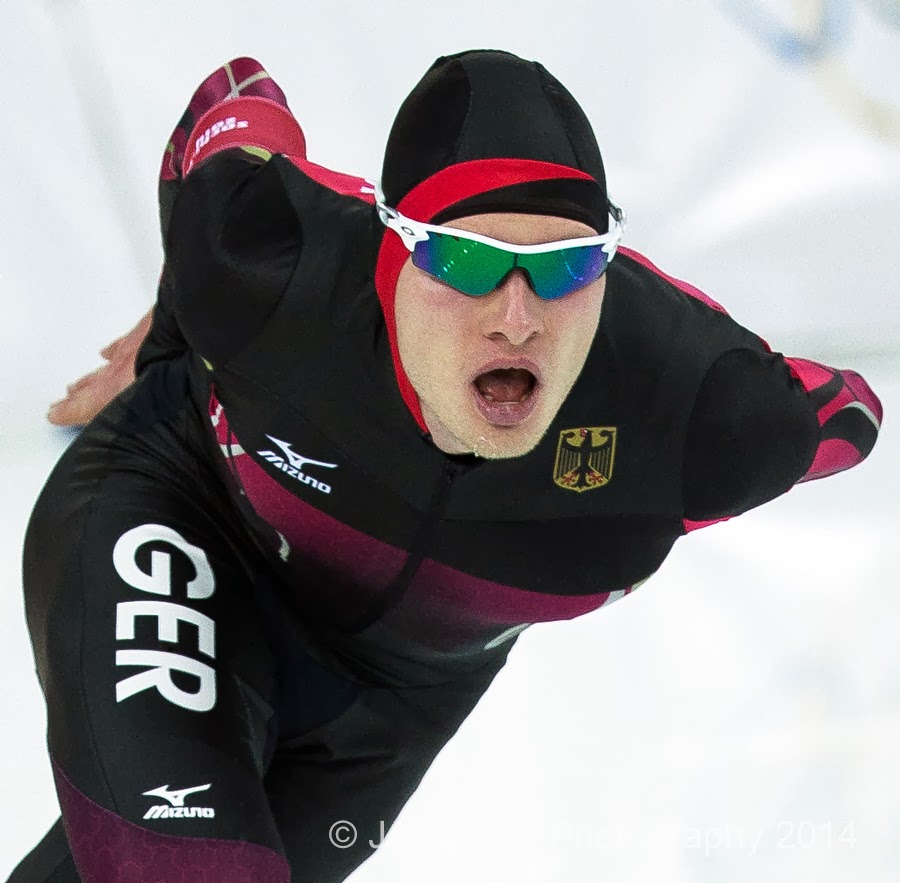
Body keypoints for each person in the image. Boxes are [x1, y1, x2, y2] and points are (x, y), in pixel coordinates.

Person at [11, 50, 882, 883]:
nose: (517, 316)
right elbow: (234, 91)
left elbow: (852, 414)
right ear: (394, 248)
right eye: (467, 260)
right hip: (187, 518)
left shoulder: (699, 410)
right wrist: (175, 327)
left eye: (566, 265)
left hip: (386, 711)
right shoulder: (273, 260)